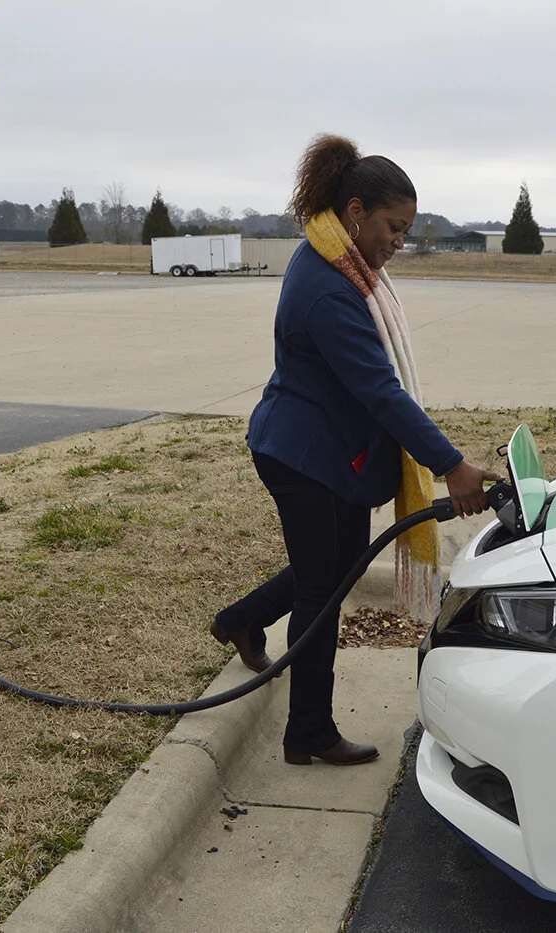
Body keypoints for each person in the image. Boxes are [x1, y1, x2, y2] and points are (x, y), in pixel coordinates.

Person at [210, 134, 502, 766]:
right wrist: (451, 466)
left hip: (322, 447)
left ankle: (241, 621)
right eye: (394, 228)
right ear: (355, 212)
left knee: (332, 566)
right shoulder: (330, 289)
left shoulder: (336, 259)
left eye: (406, 231)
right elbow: (381, 393)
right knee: (322, 591)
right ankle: (308, 733)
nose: (399, 242)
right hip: (304, 459)